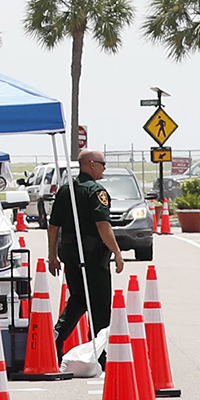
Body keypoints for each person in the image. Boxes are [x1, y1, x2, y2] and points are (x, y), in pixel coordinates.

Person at [48, 149, 124, 355]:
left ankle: (57, 335)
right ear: (91, 164)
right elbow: (103, 225)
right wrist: (116, 252)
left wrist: (52, 255)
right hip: (94, 256)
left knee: (79, 298)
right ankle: (99, 352)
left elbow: (53, 226)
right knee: (100, 304)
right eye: (102, 163)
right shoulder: (95, 191)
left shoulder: (66, 190)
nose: (104, 168)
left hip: (70, 254)